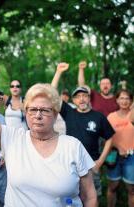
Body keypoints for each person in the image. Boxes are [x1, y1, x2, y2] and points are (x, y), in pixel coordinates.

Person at [0, 57, 97, 206]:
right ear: (26, 111)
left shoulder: (73, 146)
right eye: (33, 109)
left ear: (56, 114)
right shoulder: (13, 139)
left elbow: (90, 196)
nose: (38, 115)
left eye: (44, 110)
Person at [52, 63, 115, 198]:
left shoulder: (98, 116)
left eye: (84, 95)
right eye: (78, 96)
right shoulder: (68, 112)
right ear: (73, 100)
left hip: (91, 165)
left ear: (88, 98)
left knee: (92, 198)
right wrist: (58, 72)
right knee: (71, 197)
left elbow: (110, 138)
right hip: (70, 164)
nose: (81, 99)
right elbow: (52, 93)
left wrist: (100, 161)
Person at [106, 90, 134, 207]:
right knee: (113, 186)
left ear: (131, 101)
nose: (124, 101)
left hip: (131, 156)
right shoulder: (111, 117)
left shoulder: (132, 115)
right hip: (114, 156)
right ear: (117, 100)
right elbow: (106, 137)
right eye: (121, 98)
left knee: (131, 189)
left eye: (127, 98)